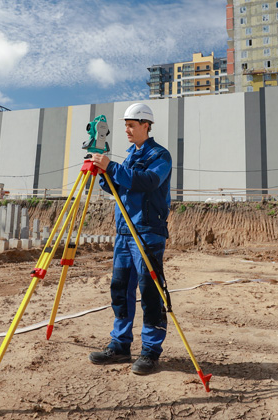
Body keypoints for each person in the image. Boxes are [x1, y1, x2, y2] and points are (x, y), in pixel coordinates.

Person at [88, 103, 172, 376]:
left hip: (147, 231)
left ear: (146, 125)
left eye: (131, 125)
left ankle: (150, 351)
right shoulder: (128, 158)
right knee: (120, 290)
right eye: (125, 125)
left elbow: (147, 182)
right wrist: (103, 174)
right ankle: (120, 345)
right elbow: (120, 188)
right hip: (124, 232)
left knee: (150, 292)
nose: (127, 130)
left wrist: (112, 166)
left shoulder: (160, 156)